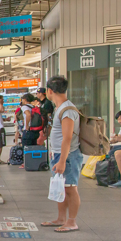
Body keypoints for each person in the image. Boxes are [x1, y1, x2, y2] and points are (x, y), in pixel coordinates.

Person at [41, 76, 82, 232]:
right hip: (59, 155)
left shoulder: (68, 110)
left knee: (70, 188)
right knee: (61, 187)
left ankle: (72, 222)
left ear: (50, 91)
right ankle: (61, 218)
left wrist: (63, 161)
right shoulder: (61, 108)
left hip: (68, 156)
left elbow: (68, 138)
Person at [109, 110, 121, 188]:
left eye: (120, 119)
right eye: (118, 119)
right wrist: (113, 140)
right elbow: (119, 137)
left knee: (117, 153)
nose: (119, 121)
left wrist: (120, 139)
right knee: (111, 149)